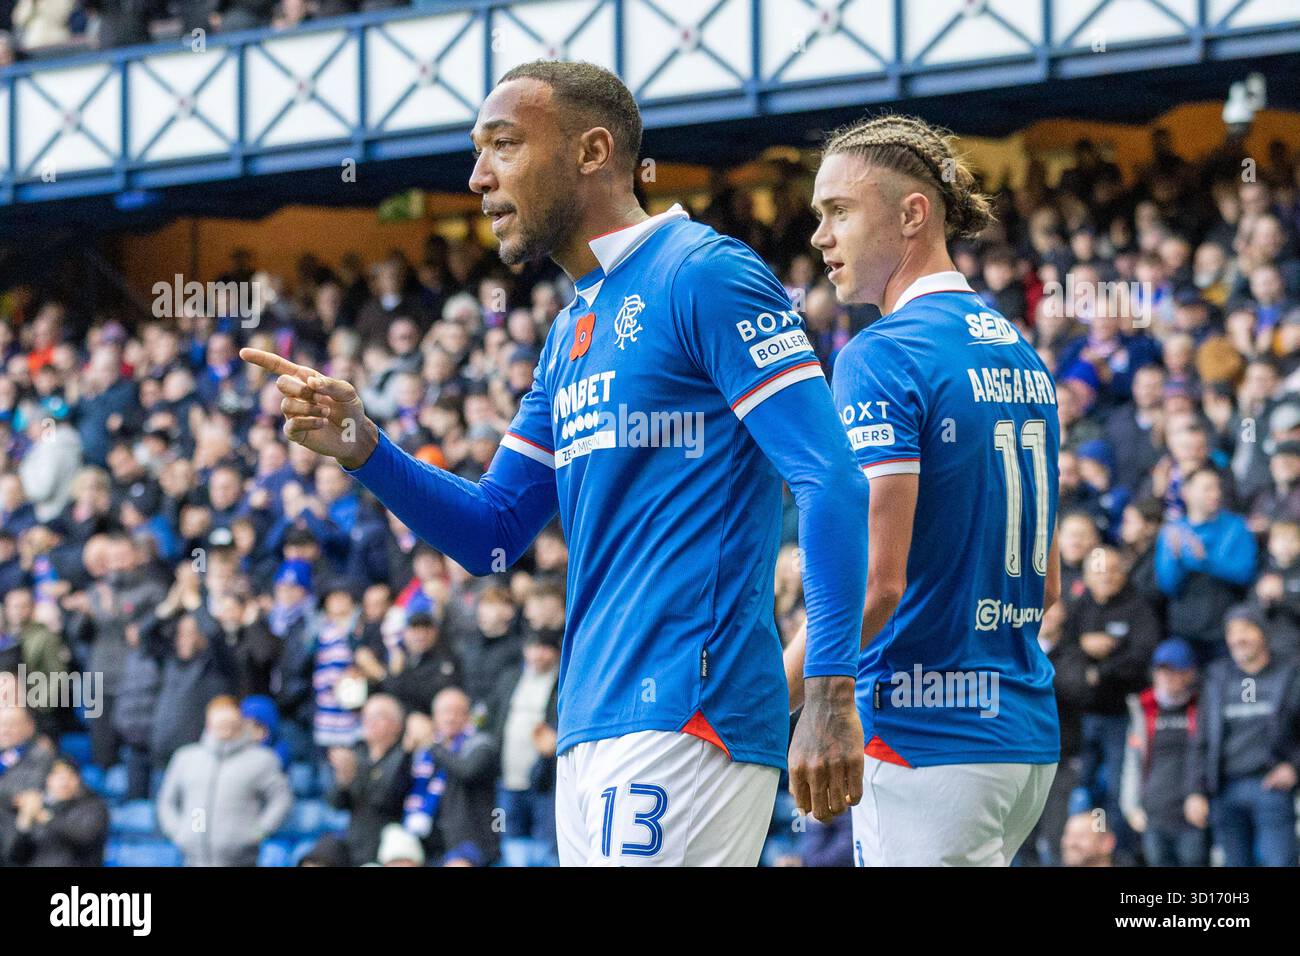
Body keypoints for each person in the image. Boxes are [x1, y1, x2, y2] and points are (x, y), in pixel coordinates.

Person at [243, 59, 870, 866]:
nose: (477, 177)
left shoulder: (705, 273)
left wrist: (828, 691)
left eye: (503, 145)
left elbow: (831, 477)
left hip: (689, 708)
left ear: (591, 150)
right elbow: (494, 534)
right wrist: (366, 449)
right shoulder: (571, 331)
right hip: (589, 722)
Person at [784, 113, 1061, 866]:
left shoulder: (880, 353)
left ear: (913, 214)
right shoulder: (1019, 350)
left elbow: (876, 580)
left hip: (924, 740)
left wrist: (766, 700)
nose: (820, 237)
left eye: (838, 211)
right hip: (1022, 736)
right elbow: (1049, 577)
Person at [1184, 605, 1300, 866]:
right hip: (1225, 789)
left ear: (1263, 633)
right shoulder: (1216, 678)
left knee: (1279, 862)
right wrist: (1195, 791)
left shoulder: (1290, 673)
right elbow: (1200, 740)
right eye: (1232, 632)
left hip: (1270, 787)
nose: (1239, 638)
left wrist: (1294, 766)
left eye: (1246, 629)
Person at [156, 696, 293, 867]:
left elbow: (281, 798)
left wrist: (259, 830)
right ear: (208, 722)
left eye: (229, 721)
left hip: (242, 860)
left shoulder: (261, 759)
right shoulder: (186, 757)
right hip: (192, 859)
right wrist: (178, 832)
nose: (224, 726)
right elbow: (166, 801)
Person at [1119, 639, 1207, 866]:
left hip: (1191, 814)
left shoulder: (1203, 707)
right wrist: (1131, 806)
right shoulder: (1144, 709)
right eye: (1162, 671)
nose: (1167, 678)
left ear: (1190, 673)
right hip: (1154, 815)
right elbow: (1133, 761)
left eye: (1174, 671)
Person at [403, 687, 499, 866]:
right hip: (428, 839)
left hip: (471, 841)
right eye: (444, 712)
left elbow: (466, 771)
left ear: (468, 715)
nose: (450, 717)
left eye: (457, 712)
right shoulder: (423, 753)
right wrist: (405, 753)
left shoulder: (481, 745)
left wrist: (431, 744)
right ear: (434, 717)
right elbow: (394, 792)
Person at [326, 693, 410, 866]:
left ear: (396, 725)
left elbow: (385, 800)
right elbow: (336, 803)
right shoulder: (358, 751)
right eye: (366, 716)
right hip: (354, 840)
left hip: (387, 843)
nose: (368, 722)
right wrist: (343, 778)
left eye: (377, 717)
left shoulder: (403, 755)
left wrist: (354, 774)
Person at [7, 756, 109, 867]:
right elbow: (16, 857)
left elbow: (83, 837)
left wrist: (44, 817)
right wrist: (25, 821)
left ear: (78, 779)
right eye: (58, 776)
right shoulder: (40, 806)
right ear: (47, 780)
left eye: (70, 776)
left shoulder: (94, 807)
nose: (64, 782)